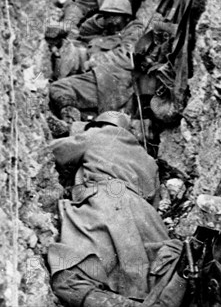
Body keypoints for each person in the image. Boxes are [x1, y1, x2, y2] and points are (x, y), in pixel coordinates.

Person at [48, 112, 188, 307]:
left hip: (105, 202)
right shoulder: (147, 159)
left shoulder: (99, 134)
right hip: (145, 216)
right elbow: (154, 201)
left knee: (70, 275)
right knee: (144, 277)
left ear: (99, 124)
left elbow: (51, 152)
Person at [48, 0, 144, 120]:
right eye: (107, 16)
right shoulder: (108, 30)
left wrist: (96, 60)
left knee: (59, 88)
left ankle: (71, 120)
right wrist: (101, 19)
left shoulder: (133, 31)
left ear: (127, 18)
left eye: (115, 17)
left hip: (110, 80)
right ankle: (82, 117)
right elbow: (84, 31)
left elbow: (127, 57)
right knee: (67, 49)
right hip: (99, 75)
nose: (110, 21)